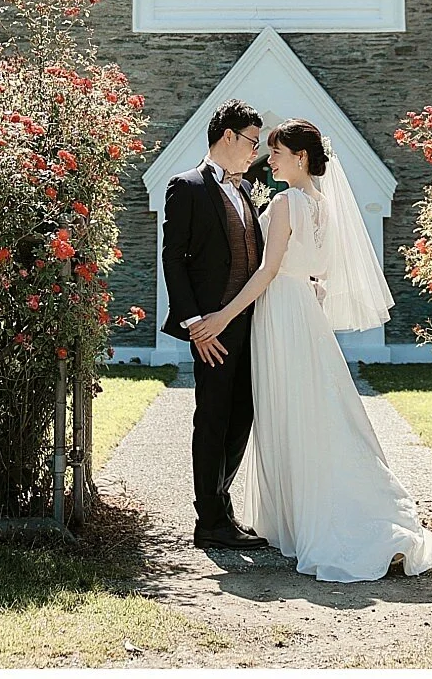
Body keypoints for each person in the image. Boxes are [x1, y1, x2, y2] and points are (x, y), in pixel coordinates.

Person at [188, 118, 432, 582]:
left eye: (277, 153)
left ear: (300, 158)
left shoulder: (287, 201)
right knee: (313, 408)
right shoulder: (323, 204)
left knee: (291, 411)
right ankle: (303, 512)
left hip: (280, 313)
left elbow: (267, 271)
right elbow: (317, 271)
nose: (269, 160)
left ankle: (311, 518)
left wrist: (223, 316)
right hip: (303, 313)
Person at [159, 99, 270, 548]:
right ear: (228, 136)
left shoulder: (245, 190)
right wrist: (194, 324)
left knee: (242, 416)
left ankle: (221, 509)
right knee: (212, 419)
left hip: (249, 324)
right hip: (211, 329)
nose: (256, 150)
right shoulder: (186, 186)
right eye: (252, 141)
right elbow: (173, 259)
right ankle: (209, 520)